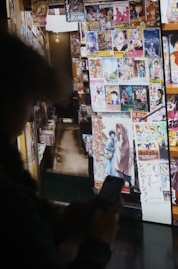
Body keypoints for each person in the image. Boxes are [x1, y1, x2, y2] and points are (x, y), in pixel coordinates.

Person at [0, 30, 121, 267]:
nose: (28, 117)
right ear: (8, 102)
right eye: (31, 102)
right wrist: (99, 243)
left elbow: (23, 248)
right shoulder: (11, 200)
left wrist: (60, 225)